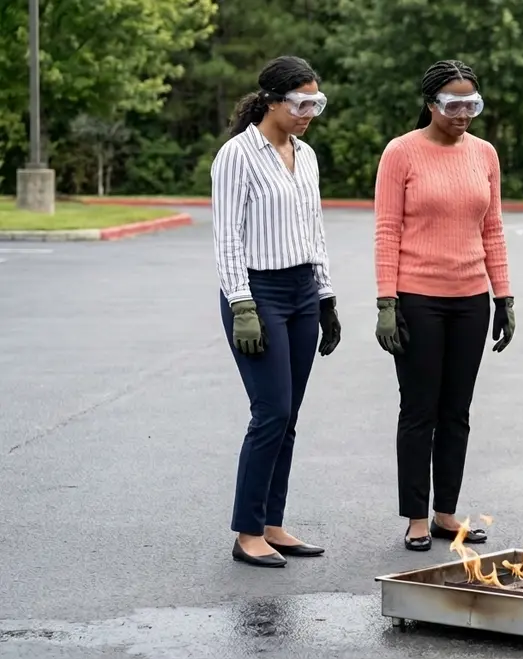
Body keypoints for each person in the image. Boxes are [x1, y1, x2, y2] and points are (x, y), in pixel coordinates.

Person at [372, 59, 515, 553]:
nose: (463, 114)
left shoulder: (485, 154)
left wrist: (504, 296)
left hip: (470, 299)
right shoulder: (401, 153)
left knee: (457, 411)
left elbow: (491, 229)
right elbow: (387, 230)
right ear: (431, 104)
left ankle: (445, 513)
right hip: (417, 298)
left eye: (471, 104)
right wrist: (386, 301)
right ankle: (414, 515)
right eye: (453, 105)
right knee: (419, 410)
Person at [210, 55, 342, 569]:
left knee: (289, 418)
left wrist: (326, 297)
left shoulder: (305, 155)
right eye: (301, 103)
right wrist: (242, 303)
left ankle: (272, 523)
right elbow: (226, 239)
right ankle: (247, 532)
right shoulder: (236, 156)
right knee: (271, 412)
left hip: (302, 290)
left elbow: (315, 230)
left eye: (316, 102)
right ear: (270, 101)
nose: (310, 112)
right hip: (257, 293)